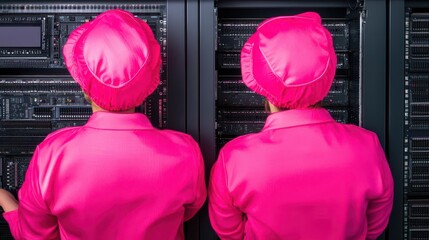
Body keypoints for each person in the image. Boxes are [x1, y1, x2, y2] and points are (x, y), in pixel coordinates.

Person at [0, 9, 206, 239]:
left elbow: (34, 235)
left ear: (82, 83)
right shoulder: (186, 152)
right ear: (150, 82)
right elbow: (187, 212)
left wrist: (7, 202)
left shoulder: (52, 155)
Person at [208, 12, 393, 240]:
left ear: (260, 80)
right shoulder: (367, 146)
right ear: (328, 73)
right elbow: (374, 226)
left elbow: (230, 233)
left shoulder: (234, 159)